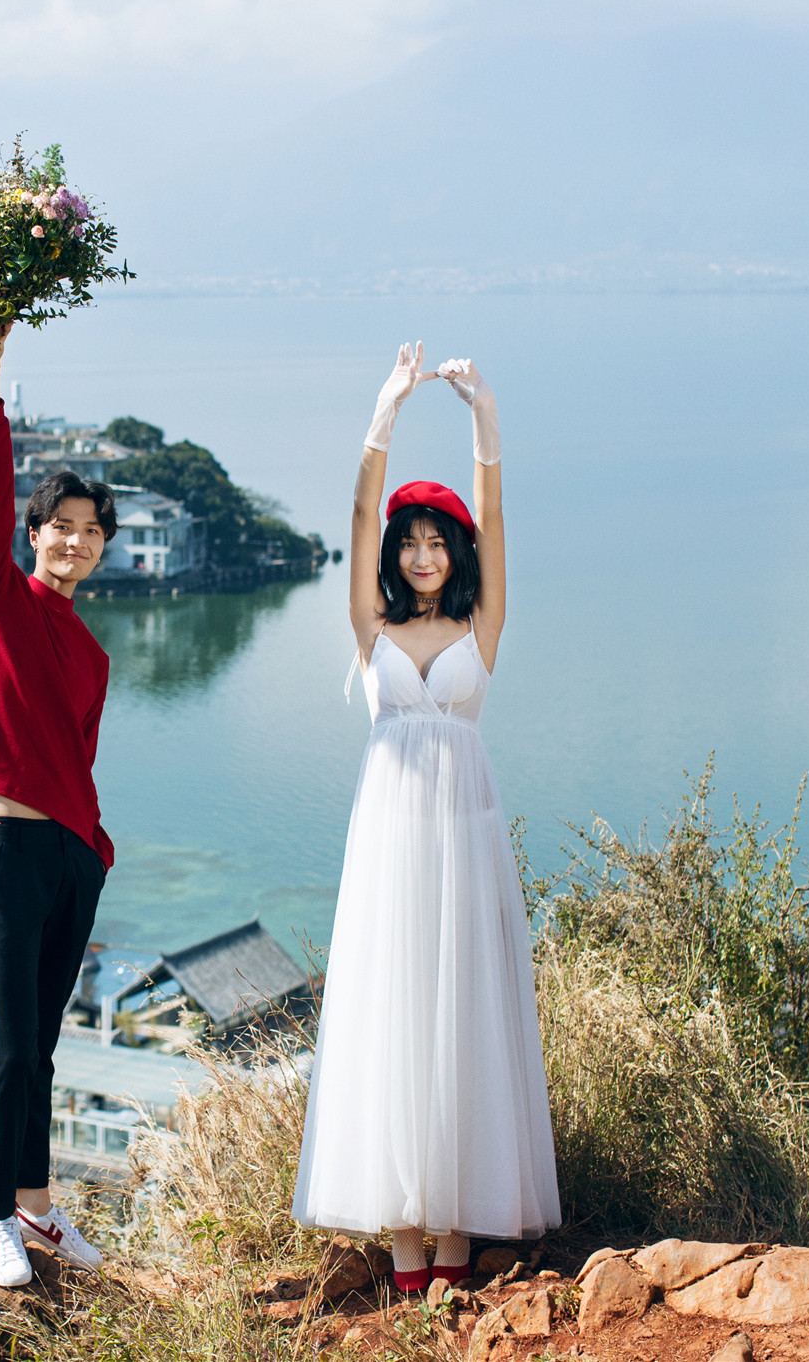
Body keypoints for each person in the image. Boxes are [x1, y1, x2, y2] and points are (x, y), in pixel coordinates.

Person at [291, 342, 562, 1291]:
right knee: (391, 1006)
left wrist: (484, 415)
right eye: (409, 543)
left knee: (462, 1009)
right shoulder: (373, 629)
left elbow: (496, 512)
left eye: (435, 542)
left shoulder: (480, 629)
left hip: (463, 832)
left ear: (458, 554)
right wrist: (385, 413)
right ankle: (402, 1235)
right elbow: (359, 512)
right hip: (389, 839)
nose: (420, 555)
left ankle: (454, 1230)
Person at [0, 311, 117, 1288]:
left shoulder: (91, 654)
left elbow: (80, 762)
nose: (74, 543)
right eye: (61, 528)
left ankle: (42, 1211)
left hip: (69, 859)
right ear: (35, 534)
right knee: (8, 1045)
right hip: (4, 848)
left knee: (42, 1045)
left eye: (91, 534)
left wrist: (92, 850)